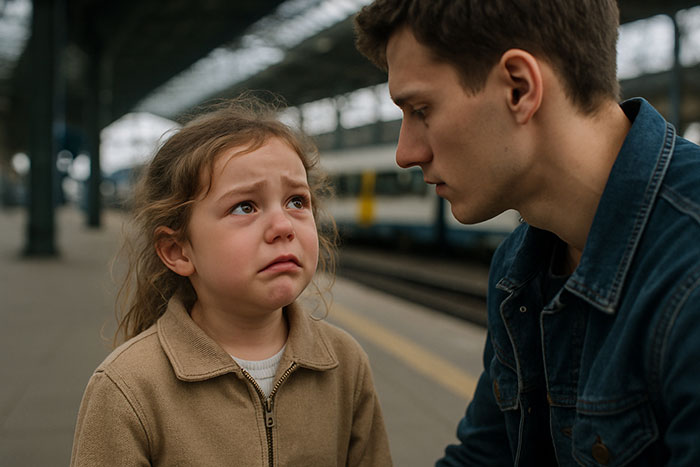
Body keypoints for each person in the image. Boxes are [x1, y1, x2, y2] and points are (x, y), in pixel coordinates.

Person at [355, 0, 700, 465]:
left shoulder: (689, 273)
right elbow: (485, 456)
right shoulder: (520, 262)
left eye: (420, 109)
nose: (406, 152)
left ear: (519, 88)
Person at [70, 96, 392, 466]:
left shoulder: (345, 363)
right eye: (245, 207)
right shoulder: (129, 387)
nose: (283, 226)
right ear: (178, 251)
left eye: (297, 202)